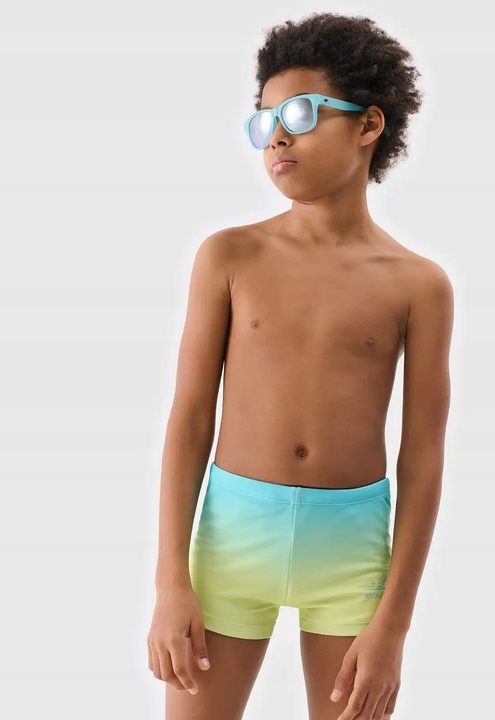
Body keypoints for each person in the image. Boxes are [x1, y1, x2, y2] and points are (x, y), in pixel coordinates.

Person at [147, 11, 454, 720]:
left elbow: (424, 456)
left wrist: (394, 625)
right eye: (264, 121)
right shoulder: (229, 256)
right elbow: (189, 421)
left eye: (300, 113)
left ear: (369, 124)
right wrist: (170, 584)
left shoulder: (419, 284)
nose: (277, 136)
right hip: (231, 546)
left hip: (350, 555)